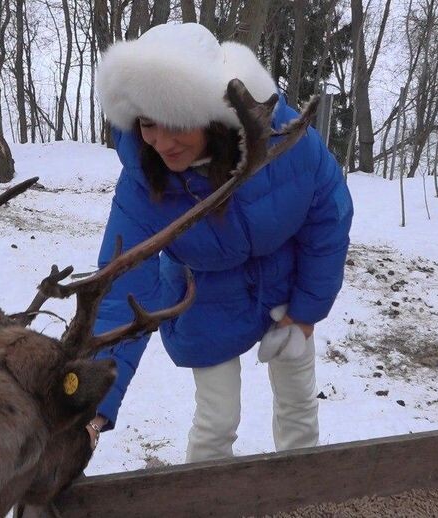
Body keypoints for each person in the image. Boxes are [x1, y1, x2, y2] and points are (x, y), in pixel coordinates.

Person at [84, 22, 353, 463]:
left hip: (285, 283)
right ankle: (207, 494)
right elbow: (122, 287)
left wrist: (306, 312)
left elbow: (329, 219)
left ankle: (303, 489)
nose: (161, 143)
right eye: (148, 124)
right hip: (203, 295)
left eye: (176, 124)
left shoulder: (287, 144)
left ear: (210, 115)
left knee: (298, 404)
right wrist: (92, 409)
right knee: (217, 420)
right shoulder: (142, 183)